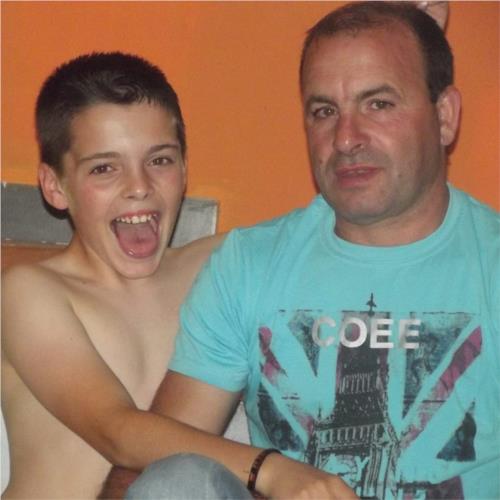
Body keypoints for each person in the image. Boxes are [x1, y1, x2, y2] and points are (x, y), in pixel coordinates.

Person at [103, 1, 499, 499]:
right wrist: (268, 472)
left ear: (444, 117)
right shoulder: (250, 264)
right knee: (175, 482)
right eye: (324, 111)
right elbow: (145, 469)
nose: (346, 138)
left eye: (378, 104)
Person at [1, 52, 228, 498]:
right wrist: (270, 471)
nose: (139, 186)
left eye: (160, 160)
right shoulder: (28, 292)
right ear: (54, 186)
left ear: (185, 169)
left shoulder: (219, 264)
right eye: (104, 168)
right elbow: (117, 432)